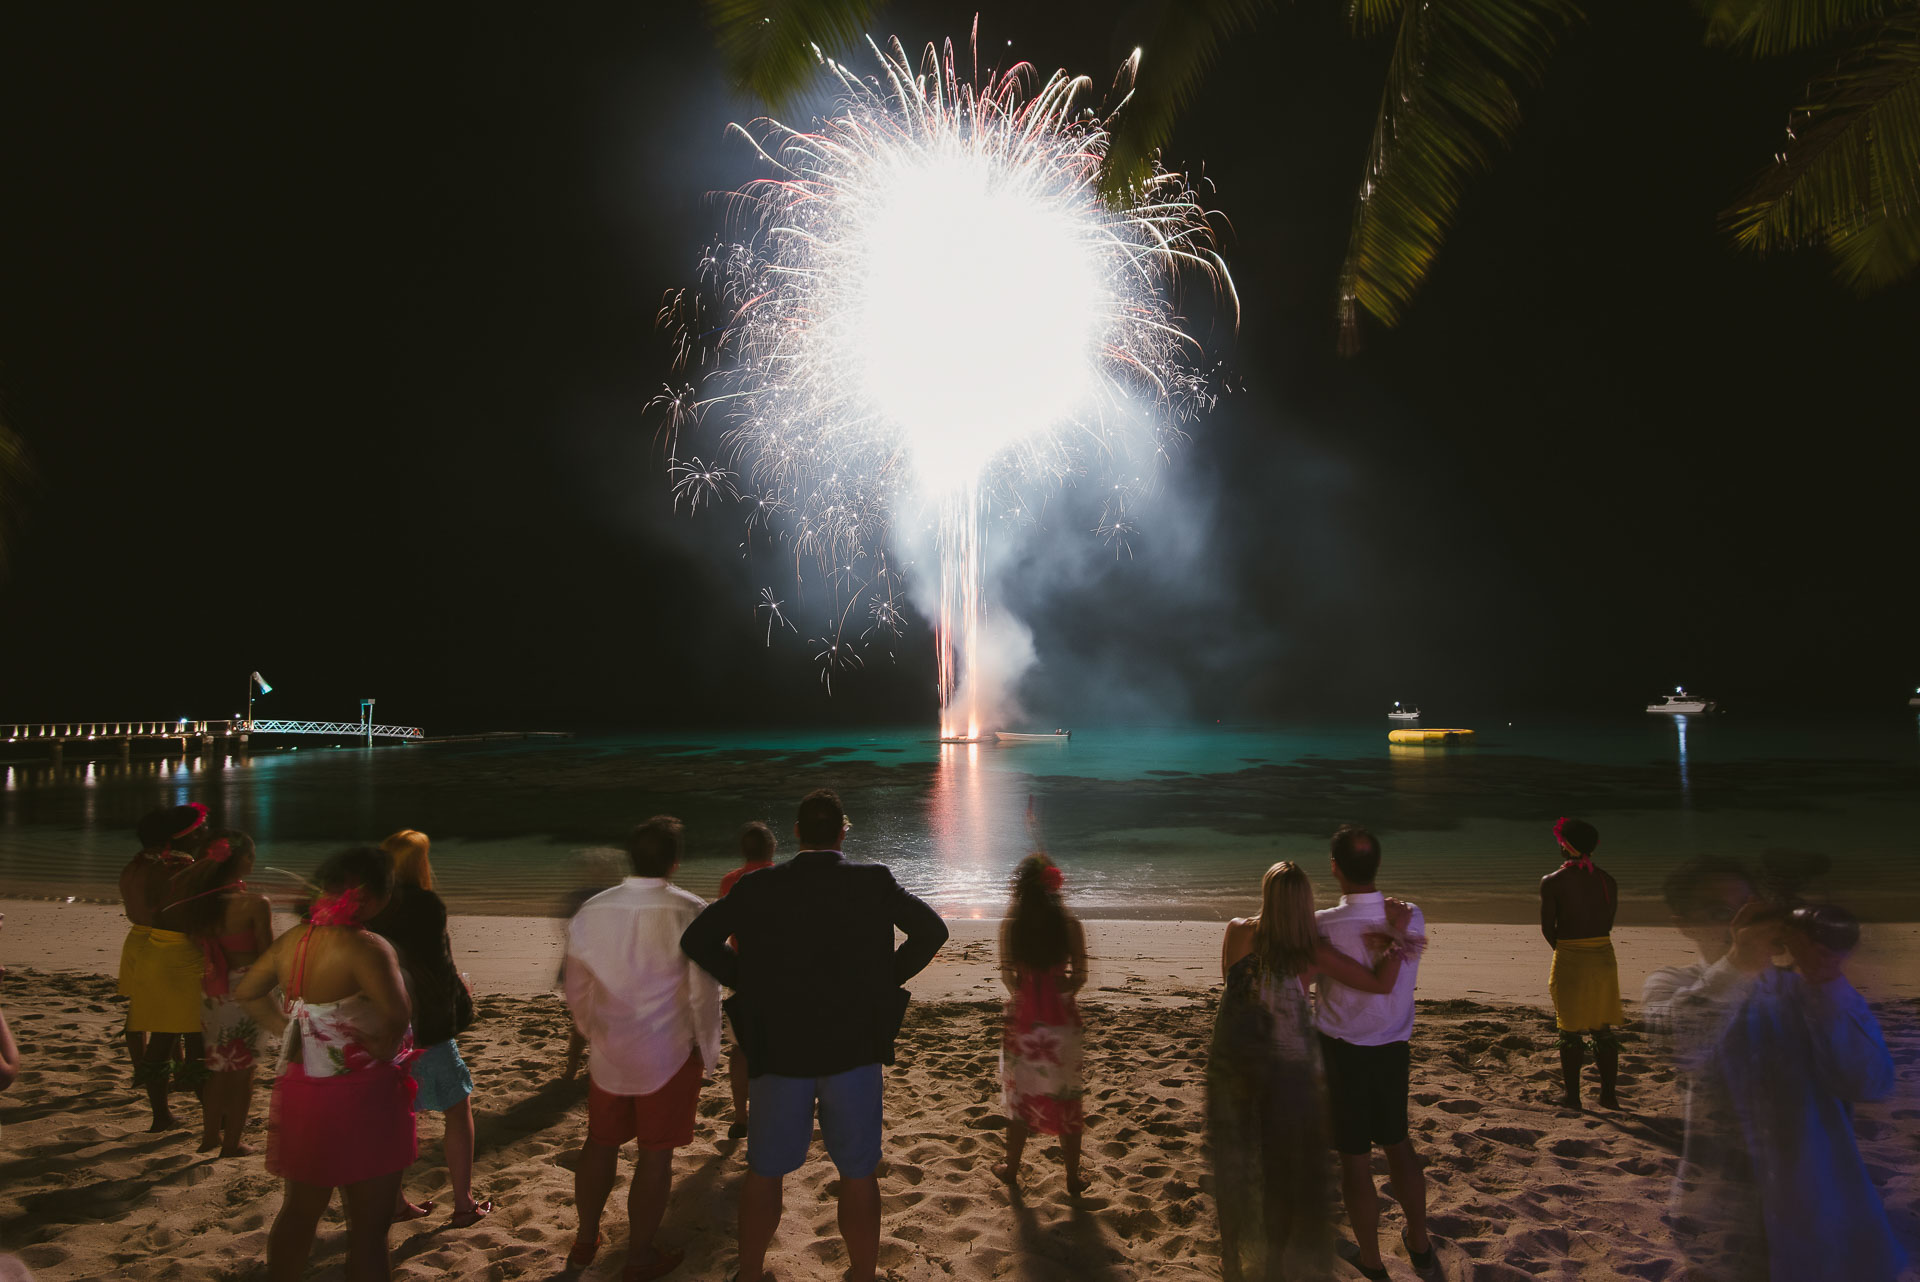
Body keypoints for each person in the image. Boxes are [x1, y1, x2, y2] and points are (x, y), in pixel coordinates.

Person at [681, 788, 949, 1282]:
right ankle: (862, 1274)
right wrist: (884, 978)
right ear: (843, 833)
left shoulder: (758, 887)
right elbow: (932, 931)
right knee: (858, 1172)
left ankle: (751, 1273)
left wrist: (746, 979)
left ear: (799, 832)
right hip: (853, 1046)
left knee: (764, 1171)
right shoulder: (873, 881)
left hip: (780, 1048)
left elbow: (696, 939)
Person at [1657, 898, 1906, 1281]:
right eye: (1722, 911)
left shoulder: (1812, 992)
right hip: (1725, 1211)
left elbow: (1869, 1082)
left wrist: (1827, 978)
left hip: (1811, 1202)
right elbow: (1682, 1041)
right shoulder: (1670, 986)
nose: (1737, 927)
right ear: (1685, 925)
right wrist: (1737, 963)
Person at [1210, 861, 1412, 1282]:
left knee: (1237, 1161)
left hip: (1233, 1064)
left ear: (1266, 893)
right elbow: (1381, 984)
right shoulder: (1311, 951)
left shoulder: (1236, 930)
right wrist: (1397, 930)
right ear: (1305, 902)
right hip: (1283, 1074)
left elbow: (1230, 984)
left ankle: (1232, 1256)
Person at [235, 846, 416, 1282]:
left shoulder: (294, 940)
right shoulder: (367, 947)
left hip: (303, 1086)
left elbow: (248, 992)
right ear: (372, 898)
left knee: (299, 1211)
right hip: (361, 1092)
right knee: (369, 1230)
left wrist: (287, 1028)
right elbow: (397, 1015)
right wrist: (378, 1042)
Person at [561, 816, 719, 1280]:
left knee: (600, 1142)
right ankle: (639, 1253)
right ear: (675, 860)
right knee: (655, 1156)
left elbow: (576, 986)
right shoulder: (689, 910)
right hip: (668, 1052)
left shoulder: (592, 910)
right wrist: (707, 1048)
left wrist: (593, 1030)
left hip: (611, 1049)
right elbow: (702, 990)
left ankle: (586, 1238)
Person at [1314, 826, 1437, 1281]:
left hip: (1342, 1052)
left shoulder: (1322, 924)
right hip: (1391, 1048)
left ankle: (1371, 1258)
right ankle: (1420, 1245)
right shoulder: (1411, 916)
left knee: (1354, 1158)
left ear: (1335, 867)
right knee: (1399, 1145)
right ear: (1377, 865)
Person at [365, 830, 492, 1228]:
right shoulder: (424, 905)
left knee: (390, 1115)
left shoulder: (368, 906)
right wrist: (460, 998)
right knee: (456, 1106)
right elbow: (437, 965)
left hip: (380, 1024)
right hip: (422, 1025)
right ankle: (463, 1203)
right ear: (420, 864)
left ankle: (396, 1201)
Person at [163, 830, 272, 1156]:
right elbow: (268, 956)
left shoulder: (201, 905)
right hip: (246, 991)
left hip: (214, 990)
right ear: (242, 861)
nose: (254, 861)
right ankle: (232, 1142)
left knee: (219, 1068)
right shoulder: (254, 904)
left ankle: (210, 1137)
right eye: (251, 855)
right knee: (243, 1074)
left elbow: (200, 944)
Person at [993, 853, 1088, 1195]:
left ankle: (1011, 1169)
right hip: (1062, 1020)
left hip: (1025, 1020)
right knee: (1068, 1097)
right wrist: (1058, 990)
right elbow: (1079, 976)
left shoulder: (1012, 925)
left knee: (1021, 1098)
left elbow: (1009, 979)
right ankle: (1073, 1177)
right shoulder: (1070, 925)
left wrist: (1031, 990)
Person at [125, 803, 214, 1132]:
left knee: (162, 1040)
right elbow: (192, 916)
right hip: (180, 956)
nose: (206, 834)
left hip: (152, 950)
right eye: (202, 829)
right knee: (196, 1042)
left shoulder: (143, 865)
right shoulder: (183, 868)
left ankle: (161, 1115)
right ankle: (212, 1119)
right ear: (186, 835)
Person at [1538, 817, 1623, 1109]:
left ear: (1566, 846)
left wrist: (1565, 952)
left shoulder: (1553, 882)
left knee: (1569, 1030)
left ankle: (1573, 1097)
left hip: (1571, 956)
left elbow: (1549, 927)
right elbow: (1607, 923)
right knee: (1602, 1028)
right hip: (1603, 956)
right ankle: (1609, 1096)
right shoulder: (1607, 880)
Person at [116, 804, 204, 1074]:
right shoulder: (175, 865)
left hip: (136, 938)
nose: (200, 837)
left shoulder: (137, 863)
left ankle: (143, 1068)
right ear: (182, 836)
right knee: (179, 1014)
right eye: (197, 832)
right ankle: (177, 1068)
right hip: (165, 941)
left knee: (141, 1010)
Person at [717, 820, 778, 1139]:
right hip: (780, 976)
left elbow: (722, 931)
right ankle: (771, 1115)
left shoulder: (730, 882)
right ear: (773, 849)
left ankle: (741, 1117)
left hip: (742, 973)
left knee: (741, 1050)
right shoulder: (785, 880)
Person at [556, 848, 625, 1082]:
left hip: (583, 963)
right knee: (597, 1019)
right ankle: (580, 1067)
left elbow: (568, 928)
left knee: (582, 1020)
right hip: (601, 964)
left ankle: (573, 1068)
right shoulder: (616, 897)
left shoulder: (583, 896)